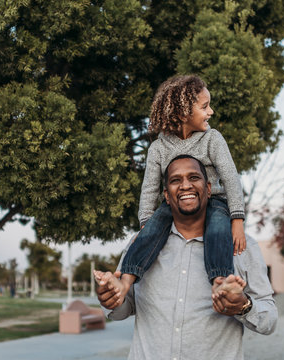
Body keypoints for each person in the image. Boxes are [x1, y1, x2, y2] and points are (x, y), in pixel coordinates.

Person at [96, 155, 277, 359]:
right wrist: (110, 299)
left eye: (194, 177)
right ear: (166, 194)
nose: (185, 186)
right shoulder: (141, 245)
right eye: (175, 180)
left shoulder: (242, 246)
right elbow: (123, 309)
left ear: (209, 189)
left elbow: (269, 320)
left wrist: (243, 305)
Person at [95, 75, 246, 305]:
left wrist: (237, 219)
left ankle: (220, 280)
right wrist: (146, 223)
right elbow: (149, 189)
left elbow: (230, 178)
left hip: (213, 202)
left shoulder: (212, 139)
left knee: (217, 229)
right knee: (151, 230)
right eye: (205, 106)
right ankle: (125, 280)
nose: (211, 112)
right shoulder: (158, 148)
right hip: (173, 205)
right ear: (182, 112)